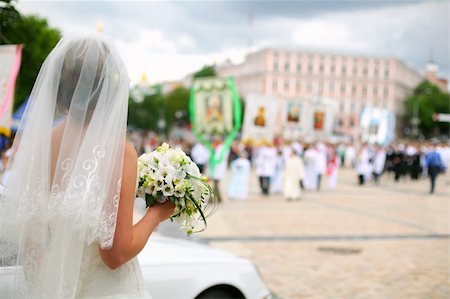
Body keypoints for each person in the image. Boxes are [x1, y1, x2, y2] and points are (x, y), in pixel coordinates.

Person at [0, 35, 175, 298]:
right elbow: (115, 254)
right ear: (108, 88)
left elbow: (31, 246)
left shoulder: (39, 146)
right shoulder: (118, 153)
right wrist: (156, 215)